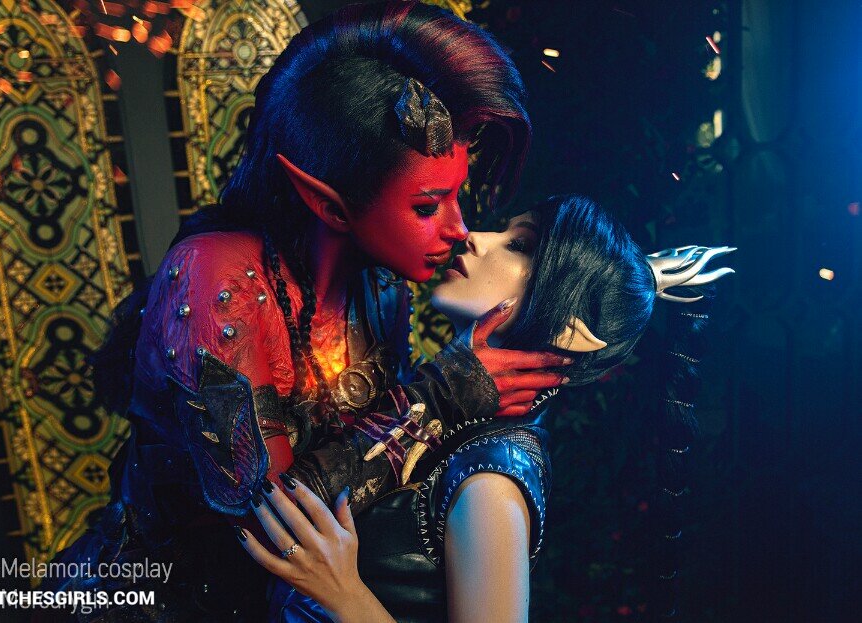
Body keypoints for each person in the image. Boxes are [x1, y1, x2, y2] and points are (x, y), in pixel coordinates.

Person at [42, 2, 570, 621]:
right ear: (329, 204)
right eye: (428, 207)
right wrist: (443, 396)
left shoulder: (382, 289)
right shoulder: (220, 278)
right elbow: (275, 530)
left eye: (457, 195)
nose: (459, 229)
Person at [237, 195, 736, 622]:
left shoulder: (492, 481)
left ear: (570, 330)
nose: (473, 237)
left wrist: (344, 595)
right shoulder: (460, 424)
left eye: (519, 245)